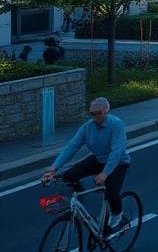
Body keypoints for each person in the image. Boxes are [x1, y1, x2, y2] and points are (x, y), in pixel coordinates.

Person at [41, 97, 130, 234]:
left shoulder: (116, 124)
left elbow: (117, 151)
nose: (95, 117)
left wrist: (105, 173)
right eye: (92, 113)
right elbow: (72, 147)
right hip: (98, 159)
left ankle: (117, 216)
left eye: (98, 113)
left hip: (117, 163)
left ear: (106, 110)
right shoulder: (87, 127)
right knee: (69, 176)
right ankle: (78, 204)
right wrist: (54, 168)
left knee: (112, 193)